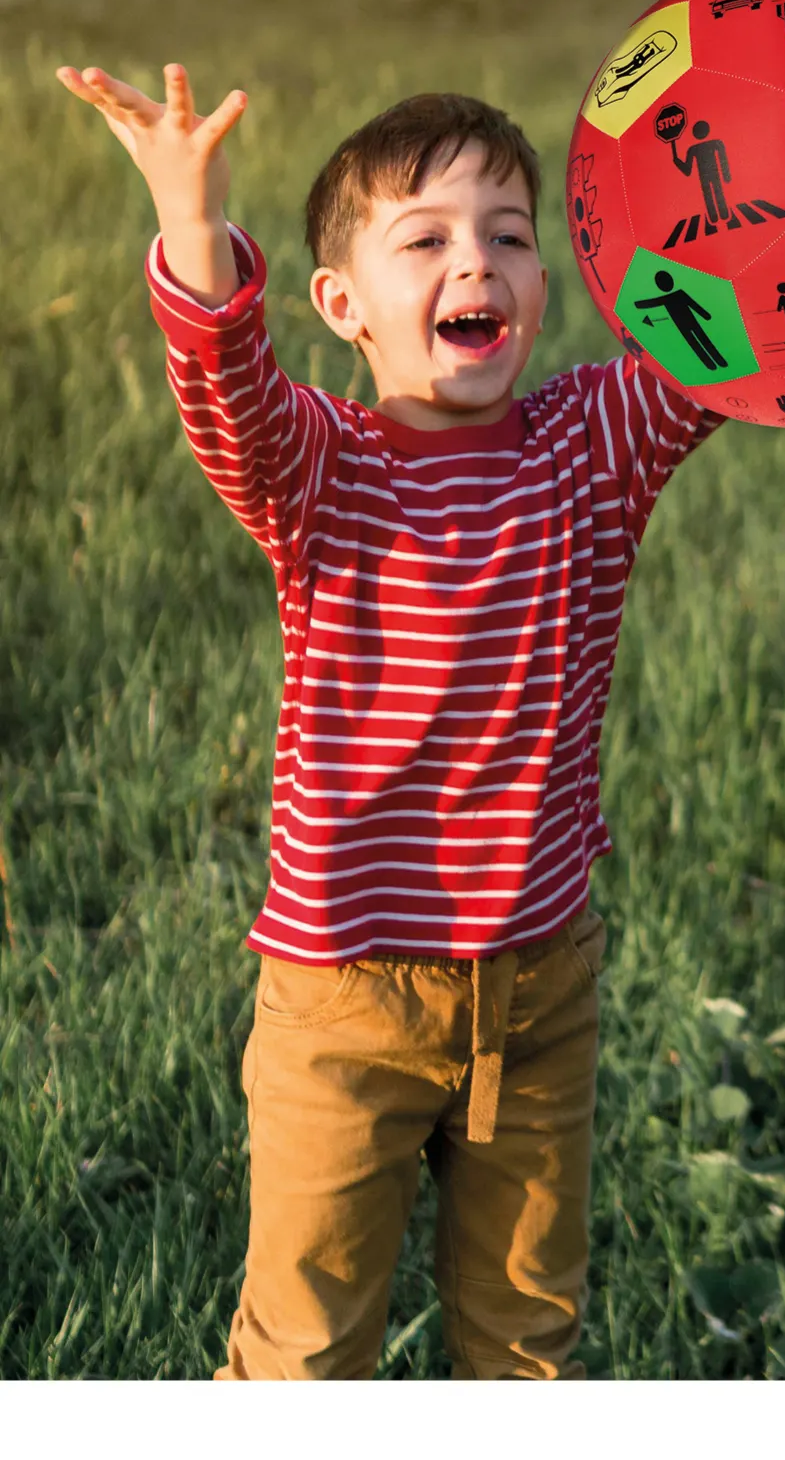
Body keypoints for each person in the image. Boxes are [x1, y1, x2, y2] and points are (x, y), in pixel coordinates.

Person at [53, 75, 721, 1379]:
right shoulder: (321, 470)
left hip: (539, 986)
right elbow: (223, 392)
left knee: (528, 1338)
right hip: (347, 999)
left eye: (510, 234)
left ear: (545, 280)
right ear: (343, 306)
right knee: (306, 1349)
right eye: (425, 238)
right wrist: (192, 218)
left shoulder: (594, 443)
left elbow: (737, 335)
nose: (477, 259)